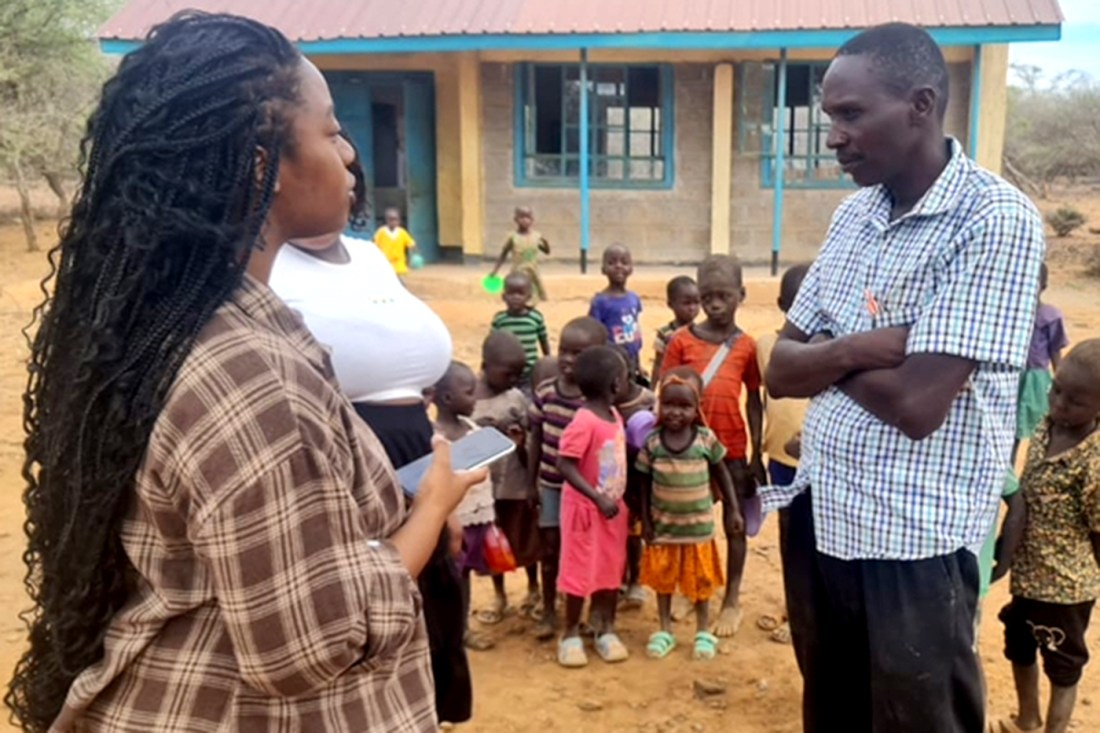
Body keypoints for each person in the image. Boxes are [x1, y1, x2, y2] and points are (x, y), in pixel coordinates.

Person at [8, 13, 485, 733]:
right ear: (265, 166)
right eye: (330, 131)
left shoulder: (194, 317)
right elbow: (307, 641)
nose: (350, 155)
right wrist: (429, 509)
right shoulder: (246, 370)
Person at [762, 22, 1045, 733]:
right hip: (822, 510)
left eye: (851, 114)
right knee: (833, 710)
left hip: (915, 537)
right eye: (830, 116)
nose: (833, 135)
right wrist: (864, 348)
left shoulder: (994, 220)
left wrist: (826, 352)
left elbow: (918, 403)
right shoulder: (853, 215)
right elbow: (779, 366)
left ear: (920, 105)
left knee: (920, 718)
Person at [271, 138, 470, 723]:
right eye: (331, 139)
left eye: (352, 156)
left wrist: (441, 496)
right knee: (365, 615)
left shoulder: (369, 257)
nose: (352, 158)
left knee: (436, 616)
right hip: (344, 465)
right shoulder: (266, 268)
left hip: (415, 449)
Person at [992, 339, 1100, 733]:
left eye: (1075, 402)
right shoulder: (1045, 426)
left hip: (1066, 588)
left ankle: (1055, 728)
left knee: (1063, 664)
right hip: (1028, 575)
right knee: (1018, 645)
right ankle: (1028, 718)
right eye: (1057, 391)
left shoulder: (1094, 460)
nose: (1059, 404)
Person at [660, 254, 764, 638]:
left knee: (734, 526)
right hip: (688, 450)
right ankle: (693, 588)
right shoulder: (681, 342)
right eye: (707, 297)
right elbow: (668, 393)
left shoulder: (747, 346)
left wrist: (756, 455)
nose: (715, 304)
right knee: (690, 526)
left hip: (733, 448)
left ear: (741, 294)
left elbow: (754, 399)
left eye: (724, 296)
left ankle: (732, 599)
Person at [638, 368, 740, 661]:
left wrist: (733, 508)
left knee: (701, 582)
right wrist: (645, 519)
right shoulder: (653, 442)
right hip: (664, 526)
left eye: (684, 406)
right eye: (668, 405)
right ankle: (665, 630)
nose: (675, 412)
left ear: (697, 409)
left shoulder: (705, 440)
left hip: (699, 529)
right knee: (663, 580)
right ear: (659, 405)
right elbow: (643, 482)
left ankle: (703, 631)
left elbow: (722, 474)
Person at [528, 317, 609, 640]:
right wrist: (529, 482)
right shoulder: (546, 392)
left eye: (578, 353)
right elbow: (535, 437)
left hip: (586, 494)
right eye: (563, 350)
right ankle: (549, 611)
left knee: (583, 551)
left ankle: (586, 610)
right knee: (550, 550)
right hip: (550, 486)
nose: (567, 359)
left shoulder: (596, 402)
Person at [555, 345, 631, 668]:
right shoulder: (584, 421)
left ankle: (605, 628)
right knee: (579, 569)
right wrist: (595, 496)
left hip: (612, 511)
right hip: (585, 512)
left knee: (610, 568)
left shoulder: (614, 416)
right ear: (615, 383)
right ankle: (570, 633)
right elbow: (565, 463)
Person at [755, 263, 811, 645]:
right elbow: (760, 399)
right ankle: (795, 614)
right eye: (798, 304)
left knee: (821, 541)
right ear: (782, 305)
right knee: (791, 539)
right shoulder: (765, 346)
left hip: (824, 465)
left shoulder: (834, 347)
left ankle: (814, 615)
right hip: (782, 462)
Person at [472, 331, 542, 622]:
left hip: (514, 485)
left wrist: (521, 442)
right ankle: (500, 597)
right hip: (484, 490)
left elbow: (531, 443)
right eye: (508, 373)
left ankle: (533, 588)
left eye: (518, 374)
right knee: (493, 545)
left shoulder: (516, 399)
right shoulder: (469, 398)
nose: (514, 379)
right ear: (486, 365)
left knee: (526, 539)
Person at [432, 362, 498, 652]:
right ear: (446, 399)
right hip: (450, 523)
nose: (475, 399)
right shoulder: (436, 440)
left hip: (477, 518)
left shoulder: (473, 429)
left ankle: (463, 630)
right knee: (448, 579)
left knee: (466, 576)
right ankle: (450, 633)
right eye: (469, 393)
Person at [613, 346, 657, 610]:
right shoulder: (603, 401)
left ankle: (636, 582)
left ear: (631, 372)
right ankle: (618, 579)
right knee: (615, 532)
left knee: (634, 533)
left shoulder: (648, 400)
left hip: (640, 480)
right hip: (613, 479)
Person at [1016, 263, 1069, 457]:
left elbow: (1056, 350)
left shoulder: (1051, 317)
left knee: (1036, 428)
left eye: (1034, 283)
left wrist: (1060, 381)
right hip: (1013, 376)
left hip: (1035, 381)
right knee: (1009, 427)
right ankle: (1008, 478)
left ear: (1044, 286)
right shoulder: (1012, 314)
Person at [588, 244, 645, 378]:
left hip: (631, 360)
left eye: (624, 262)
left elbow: (633, 332)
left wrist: (638, 364)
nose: (618, 266)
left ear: (631, 268)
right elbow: (594, 334)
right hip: (610, 361)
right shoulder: (600, 302)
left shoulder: (634, 299)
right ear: (603, 269)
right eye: (612, 262)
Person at [490, 271, 551, 392]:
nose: (515, 298)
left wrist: (547, 359)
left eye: (520, 294)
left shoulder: (535, 318)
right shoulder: (500, 319)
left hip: (529, 372)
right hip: (506, 372)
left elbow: (543, 340)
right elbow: (493, 344)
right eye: (511, 293)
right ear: (504, 296)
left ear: (528, 297)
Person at [490, 205, 550, 301]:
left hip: (532, 271)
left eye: (528, 217)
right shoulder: (513, 237)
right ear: (515, 219)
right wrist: (495, 271)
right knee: (517, 292)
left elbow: (547, 251)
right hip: (518, 271)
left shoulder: (536, 236)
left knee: (534, 293)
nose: (525, 220)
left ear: (532, 220)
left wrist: (545, 242)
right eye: (522, 217)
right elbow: (503, 254)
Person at [652, 275, 701, 379]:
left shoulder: (701, 333)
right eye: (686, 303)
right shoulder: (664, 333)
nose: (692, 308)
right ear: (671, 304)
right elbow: (658, 364)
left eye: (696, 302)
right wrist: (653, 386)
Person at [374, 206, 417, 277]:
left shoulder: (402, 233)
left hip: (399, 264)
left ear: (399, 220)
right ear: (386, 220)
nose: (393, 222)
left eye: (395, 219)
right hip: (385, 264)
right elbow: (374, 246)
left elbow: (411, 244)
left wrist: (415, 256)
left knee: (400, 283)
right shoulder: (381, 232)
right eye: (391, 219)